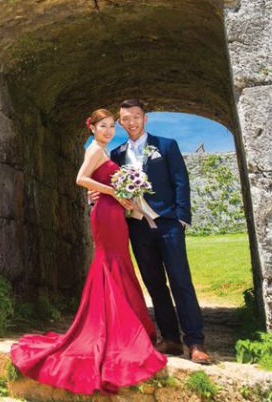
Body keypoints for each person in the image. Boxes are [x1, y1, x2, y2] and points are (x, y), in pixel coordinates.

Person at [9, 109, 166, 395]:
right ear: (91, 128)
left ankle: (121, 323)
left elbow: (101, 183)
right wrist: (111, 192)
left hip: (113, 213)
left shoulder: (103, 150)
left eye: (110, 126)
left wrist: (125, 198)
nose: (108, 131)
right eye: (102, 126)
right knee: (112, 264)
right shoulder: (94, 150)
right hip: (105, 214)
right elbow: (81, 179)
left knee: (117, 264)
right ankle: (116, 328)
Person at [91, 99, 211, 365]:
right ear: (121, 123)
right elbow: (106, 185)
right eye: (126, 119)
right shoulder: (118, 154)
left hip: (168, 222)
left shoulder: (166, 145)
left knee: (181, 280)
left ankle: (195, 341)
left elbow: (181, 181)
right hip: (136, 225)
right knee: (154, 283)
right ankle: (170, 338)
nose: (131, 122)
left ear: (145, 118)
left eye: (136, 116)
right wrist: (95, 194)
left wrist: (181, 218)